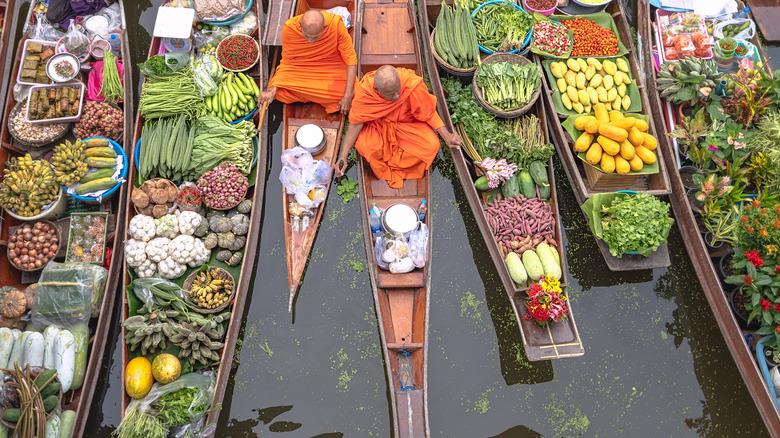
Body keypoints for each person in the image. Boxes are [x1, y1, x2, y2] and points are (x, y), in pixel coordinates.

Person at [334, 65, 461, 188]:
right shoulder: (365, 92)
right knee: (366, 146)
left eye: (397, 91)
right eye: (390, 94)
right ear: (377, 90)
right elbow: (355, 124)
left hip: (406, 124)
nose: (396, 97)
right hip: (378, 125)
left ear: (400, 81)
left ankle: (390, 162)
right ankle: (391, 164)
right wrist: (343, 156)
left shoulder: (410, 84)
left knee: (432, 145)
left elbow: (428, 112)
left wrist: (446, 135)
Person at [259, 9, 357, 115]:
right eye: (306, 35)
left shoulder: (336, 26)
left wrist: (348, 95)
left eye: (315, 37)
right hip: (302, 67)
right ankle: (317, 95)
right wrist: (272, 91)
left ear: (325, 27)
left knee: (355, 92)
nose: (310, 40)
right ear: (300, 25)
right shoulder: (290, 28)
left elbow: (350, 59)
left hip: (330, 65)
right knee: (279, 93)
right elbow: (288, 61)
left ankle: (308, 94)